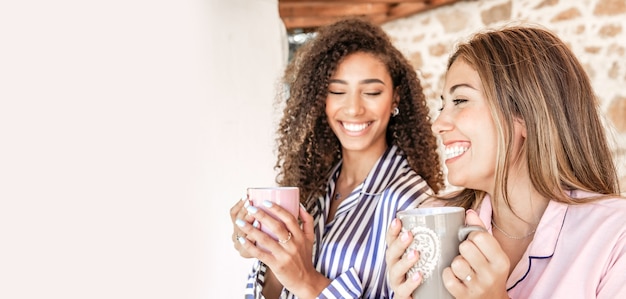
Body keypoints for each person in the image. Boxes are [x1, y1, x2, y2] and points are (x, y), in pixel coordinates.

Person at [385, 24, 626, 298]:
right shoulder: (438, 222)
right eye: (443, 105)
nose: (438, 124)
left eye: (461, 100)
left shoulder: (615, 234)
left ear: (525, 114)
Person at [229, 18, 444, 298]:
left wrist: (306, 281)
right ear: (321, 100)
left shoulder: (414, 204)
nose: (353, 108)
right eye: (337, 91)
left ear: (395, 99)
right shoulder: (314, 189)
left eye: (371, 92)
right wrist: (267, 251)